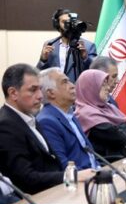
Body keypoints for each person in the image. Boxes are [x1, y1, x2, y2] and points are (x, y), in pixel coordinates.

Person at [0, 64, 73, 194]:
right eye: (33, 90)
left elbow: (51, 163)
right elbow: (26, 178)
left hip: (56, 192)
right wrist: (70, 176)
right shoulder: (5, 125)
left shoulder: (29, 117)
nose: (40, 96)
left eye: (40, 89)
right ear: (13, 93)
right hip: (37, 199)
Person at [75, 69, 126, 161]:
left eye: (106, 84)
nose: (108, 88)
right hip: (106, 163)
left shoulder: (108, 107)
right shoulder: (85, 114)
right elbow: (114, 134)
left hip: (123, 157)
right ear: (90, 88)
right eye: (103, 85)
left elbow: (125, 126)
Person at [37, 68, 100, 170]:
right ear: (51, 93)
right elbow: (63, 165)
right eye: (65, 82)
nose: (72, 86)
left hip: (96, 171)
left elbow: (90, 153)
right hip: (81, 177)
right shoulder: (46, 122)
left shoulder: (70, 114)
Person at [36, 8, 97, 82]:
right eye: (64, 22)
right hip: (56, 88)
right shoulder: (50, 44)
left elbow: (95, 72)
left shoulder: (88, 46)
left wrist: (85, 58)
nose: (69, 26)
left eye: (71, 22)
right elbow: (39, 73)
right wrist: (43, 60)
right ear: (57, 24)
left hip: (78, 87)